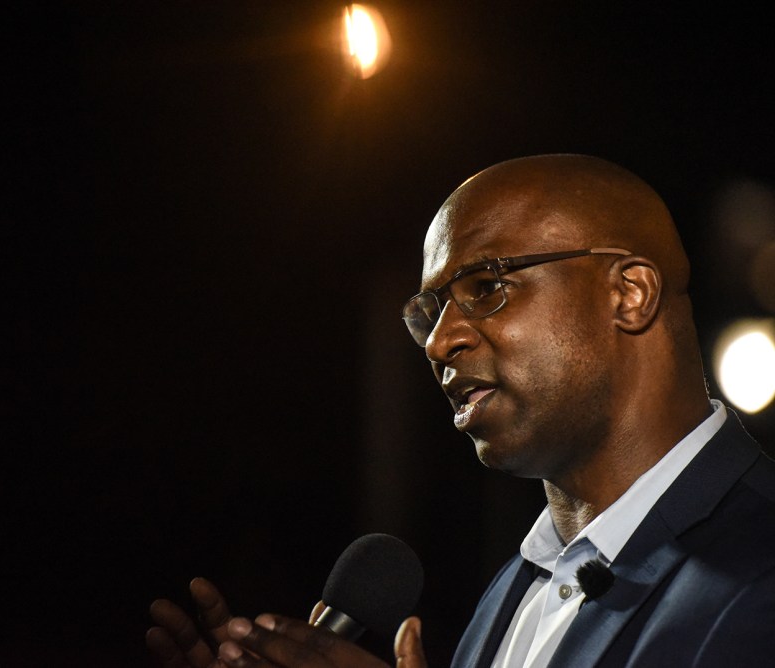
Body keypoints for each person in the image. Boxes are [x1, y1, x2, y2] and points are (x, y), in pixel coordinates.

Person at [146, 154, 775, 667]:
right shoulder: (513, 591)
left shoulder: (758, 569)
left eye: (486, 287)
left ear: (629, 293)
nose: (441, 342)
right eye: (430, 312)